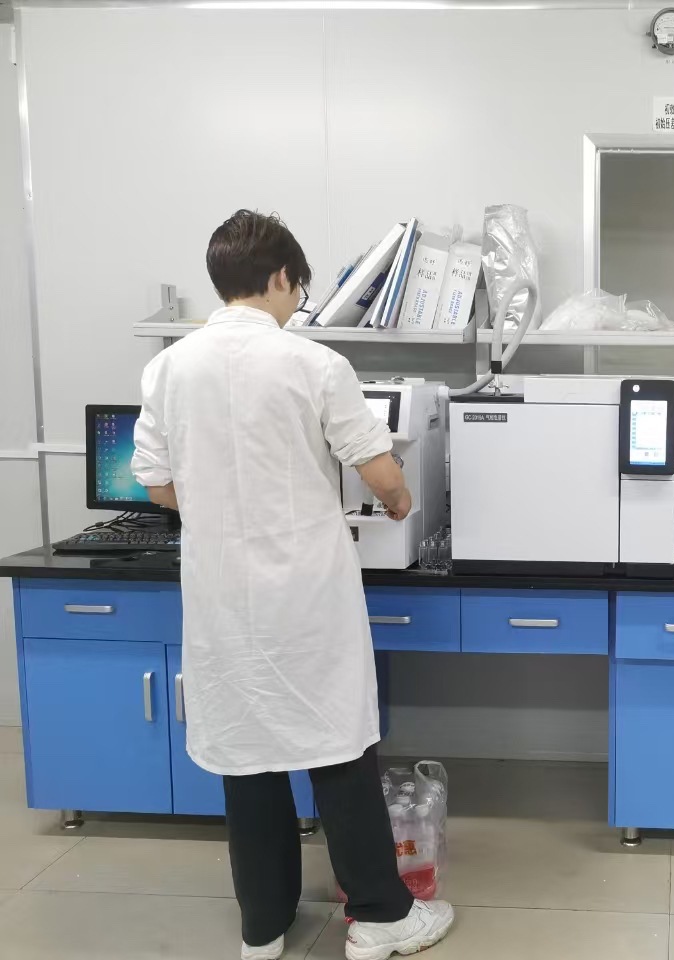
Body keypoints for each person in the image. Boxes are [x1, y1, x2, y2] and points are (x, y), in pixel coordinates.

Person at [131, 210, 454, 960]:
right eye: (297, 289)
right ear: (281, 278)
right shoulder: (315, 364)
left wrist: (221, 503)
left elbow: (158, 485)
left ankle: (264, 927)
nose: (295, 303)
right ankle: (381, 917)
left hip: (222, 594)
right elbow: (383, 476)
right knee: (337, 744)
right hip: (307, 595)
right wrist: (400, 502)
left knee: (247, 755)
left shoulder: (169, 368)